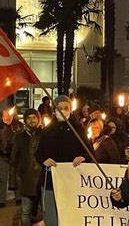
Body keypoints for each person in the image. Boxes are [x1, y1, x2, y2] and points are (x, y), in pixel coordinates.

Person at [35, 95, 93, 226]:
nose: (62, 110)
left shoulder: (78, 129)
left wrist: (83, 157)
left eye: (65, 108)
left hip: (72, 181)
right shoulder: (47, 130)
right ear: (54, 110)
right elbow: (39, 153)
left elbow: (90, 152)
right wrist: (44, 160)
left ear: (71, 109)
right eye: (59, 108)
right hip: (51, 181)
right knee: (51, 215)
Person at [9, 109, 43, 226]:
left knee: (43, 212)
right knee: (25, 211)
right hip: (25, 180)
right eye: (29, 118)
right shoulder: (19, 137)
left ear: (39, 119)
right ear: (25, 120)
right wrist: (12, 182)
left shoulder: (45, 135)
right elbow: (13, 160)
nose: (32, 120)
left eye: (34, 117)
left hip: (42, 180)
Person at [0, 107, 24, 208]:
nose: (5, 117)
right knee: (2, 178)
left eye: (7, 114)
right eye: (4, 115)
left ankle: (19, 198)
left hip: (15, 156)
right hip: (2, 156)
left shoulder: (18, 126)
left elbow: (22, 141)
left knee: (16, 177)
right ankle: (1, 201)